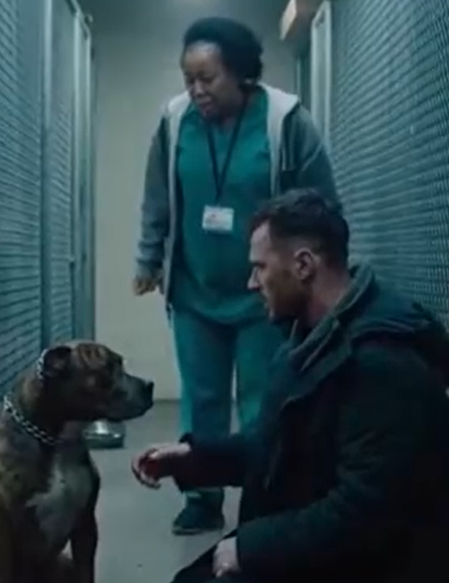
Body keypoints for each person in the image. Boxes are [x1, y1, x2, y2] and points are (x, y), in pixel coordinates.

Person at [132, 189, 449, 583]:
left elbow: (366, 512)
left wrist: (250, 548)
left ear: (303, 265)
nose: (252, 283)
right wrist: (194, 458)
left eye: (260, 268)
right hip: (325, 550)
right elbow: (278, 445)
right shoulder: (313, 340)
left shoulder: (385, 365)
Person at [133, 16, 338, 535]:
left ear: (242, 73)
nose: (196, 90)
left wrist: (318, 274)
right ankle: (200, 497)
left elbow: (322, 203)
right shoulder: (175, 122)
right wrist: (147, 258)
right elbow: (158, 194)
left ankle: (265, 495)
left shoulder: (285, 120)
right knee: (201, 398)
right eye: (189, 79)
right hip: (195, 289)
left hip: (263, 295)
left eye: (208, 78)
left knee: (261, 399)